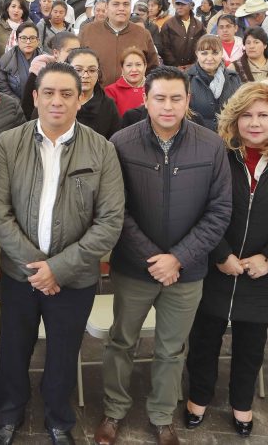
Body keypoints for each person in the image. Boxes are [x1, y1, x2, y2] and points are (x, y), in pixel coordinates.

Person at [0, 61, 125, 445]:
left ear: (81, 99)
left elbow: (110, 222)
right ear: (34, 97)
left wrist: (58, 268)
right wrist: (37, 268)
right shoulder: (11, 144)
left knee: (64, 352)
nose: (57, 101)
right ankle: (9, 415)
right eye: (48, 93)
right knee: (13, 349)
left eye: (67, 94)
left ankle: (59, 420)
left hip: (75, 276)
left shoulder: (101, 150)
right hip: (21, 274)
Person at [95, 66, 231, 445]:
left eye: (176, 98)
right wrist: (153, 258)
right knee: (121, 341)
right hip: (134, 267)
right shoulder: (121, 142)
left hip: (186, 272)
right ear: (145, 99)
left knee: (172, 348)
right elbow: (113, 208)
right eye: (160, 98)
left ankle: (161, 414)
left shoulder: (211, 144)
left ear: (189, 100)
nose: (168, 106)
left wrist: (179, 258)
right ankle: (114, 410)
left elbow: (219, 210)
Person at [184, 83, 268, 437]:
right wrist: (220, 253)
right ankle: (198, 397)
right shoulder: (218, 154)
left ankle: (241, 402)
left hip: (263, 273)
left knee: (250, 345)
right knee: (204, 339)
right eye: (247, 115)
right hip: (217, 266)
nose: (254, 123)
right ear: (234, 118)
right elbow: (198, 208)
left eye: (263, 115)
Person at [79, 0, 159, 88]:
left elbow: (153, 69)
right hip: (96, 96)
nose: (121, 8)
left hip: (131, 98)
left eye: (126, 4)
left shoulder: (142, 34)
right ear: (107, 7)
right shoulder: (88, 31)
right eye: (116, 4)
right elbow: (76, 64)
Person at [186, 35, 242, 132]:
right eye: (204, 53)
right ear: (197, 54)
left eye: (215, 53)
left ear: (222, 53)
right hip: (197, 136)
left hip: (229, 137)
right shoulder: (186, 79)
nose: (209, 58)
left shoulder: (233, 78)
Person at [158, 0, 206, 70]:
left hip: (194, 69)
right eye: (177, 4)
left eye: (183, 4)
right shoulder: (168, 24)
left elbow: (203, 47)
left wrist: (194, 65)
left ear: (191, 5)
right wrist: (175, 66)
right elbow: (164, 47)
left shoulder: (199, 25)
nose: (179, 7)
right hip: (172, 70)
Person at [0, 21, 42, 99]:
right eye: (24, 38)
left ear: (38, 41)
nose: (28, 42)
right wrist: (17, 105)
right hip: (14, 106)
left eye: (32, 38)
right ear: (17, 40)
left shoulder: (46, 60)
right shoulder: (5, 61)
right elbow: (3, 88)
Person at [105, 47, 148, 116]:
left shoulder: (153, 89)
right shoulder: (111, 91)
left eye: (138, 64)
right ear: (122, 69)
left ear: (145, 67)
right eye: (129, 65)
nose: (134, 69)